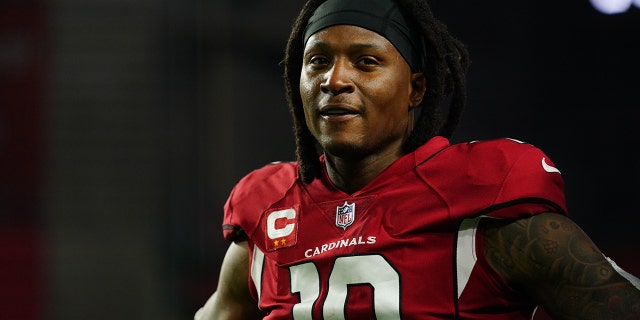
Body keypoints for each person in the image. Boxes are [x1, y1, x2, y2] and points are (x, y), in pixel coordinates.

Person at [195, 0, 640, 318]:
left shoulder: (484, 195)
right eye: (317, 61)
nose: (335, 80)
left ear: (416, 90)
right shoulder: (266, 207)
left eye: (366, 62)